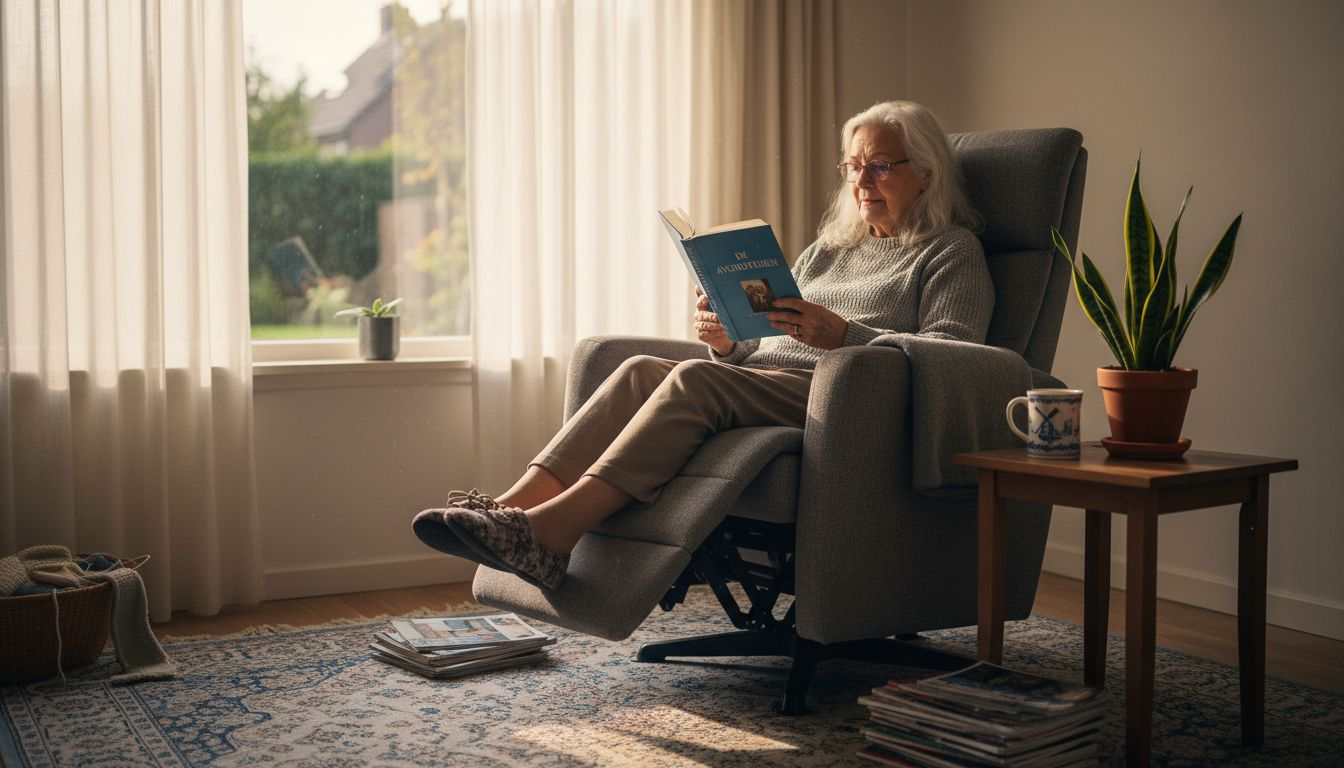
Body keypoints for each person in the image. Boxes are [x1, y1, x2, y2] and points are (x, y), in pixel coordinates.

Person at [413, 100, 993, 590]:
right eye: (852, 167)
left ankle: (551, 535)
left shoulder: (951, 251)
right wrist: (728, 343)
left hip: (852, 398)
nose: (862, 183)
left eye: (880, 167)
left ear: (927, 172)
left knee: (691, 380)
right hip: (776, 382)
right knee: (644, 370)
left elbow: (955, 358)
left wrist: (846, 336)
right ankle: (512, 510)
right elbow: (773, 341)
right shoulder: (829, 249)